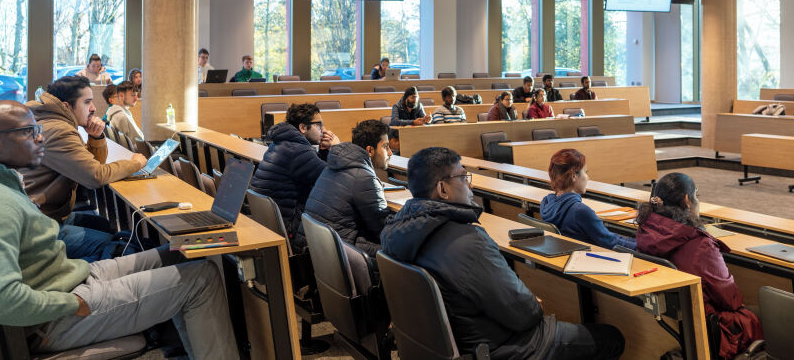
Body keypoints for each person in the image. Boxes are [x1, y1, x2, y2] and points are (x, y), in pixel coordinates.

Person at [0, 100, 239, 359]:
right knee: (201, 278)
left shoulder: (8, 183)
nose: (40, 137)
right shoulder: (1, 204)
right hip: (57, 316)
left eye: (37, 128)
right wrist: (72, 304)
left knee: (181, 251)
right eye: (28, 132)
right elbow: (3, 298)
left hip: (70, 278)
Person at [381, 147, 625, 360]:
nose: (470, 184)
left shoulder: (397, 234)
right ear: (443, 189)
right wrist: (532, 302)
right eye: (464, 177)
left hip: (453, 343)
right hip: (503, 348)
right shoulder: (466, 240)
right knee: (612, 337)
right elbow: (524, 315)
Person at [635, 172, 762, 359]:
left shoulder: (647, 230)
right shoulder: (700, 244)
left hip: (672, 323)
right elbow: (731, 300)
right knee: (765, 312)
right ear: (687, 200)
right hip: (710, 330)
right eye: (697, 194)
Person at [22, 76, 147, 261]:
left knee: (104, 224)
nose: (94, 108)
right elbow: (94, 176)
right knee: (112, 244)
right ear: (66, 106)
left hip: (43, 213)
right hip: (38, 225)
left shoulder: (51, 120)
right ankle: (79, 280)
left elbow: (89, 167)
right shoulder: (59, 130)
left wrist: (96, 138)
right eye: (87, 102)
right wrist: (135, 162)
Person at [251, 103, 339, 250]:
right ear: (303, 128)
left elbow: (317, 173)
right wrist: (336, 148)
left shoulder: (284, 143)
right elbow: (332, 181)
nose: (323, 130)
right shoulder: (298, 151)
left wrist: (324, 153)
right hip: (289, 228)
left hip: (270, 223)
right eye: (318, 125)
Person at [303, 119, 392, 255]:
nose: (390, 153)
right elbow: (382, 230)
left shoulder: (333, 165)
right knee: (402, 251)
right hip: (344, 252)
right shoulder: (364, 177)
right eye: (386, 147)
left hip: (318, 250)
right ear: (370, 150)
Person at [539, 149, 637, 251]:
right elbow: (611, 243)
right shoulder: (580, 211)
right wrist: (643, 245)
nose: (588, 177)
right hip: (593, 260)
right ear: (573, 176)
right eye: (585, 172)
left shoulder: (546, 203)